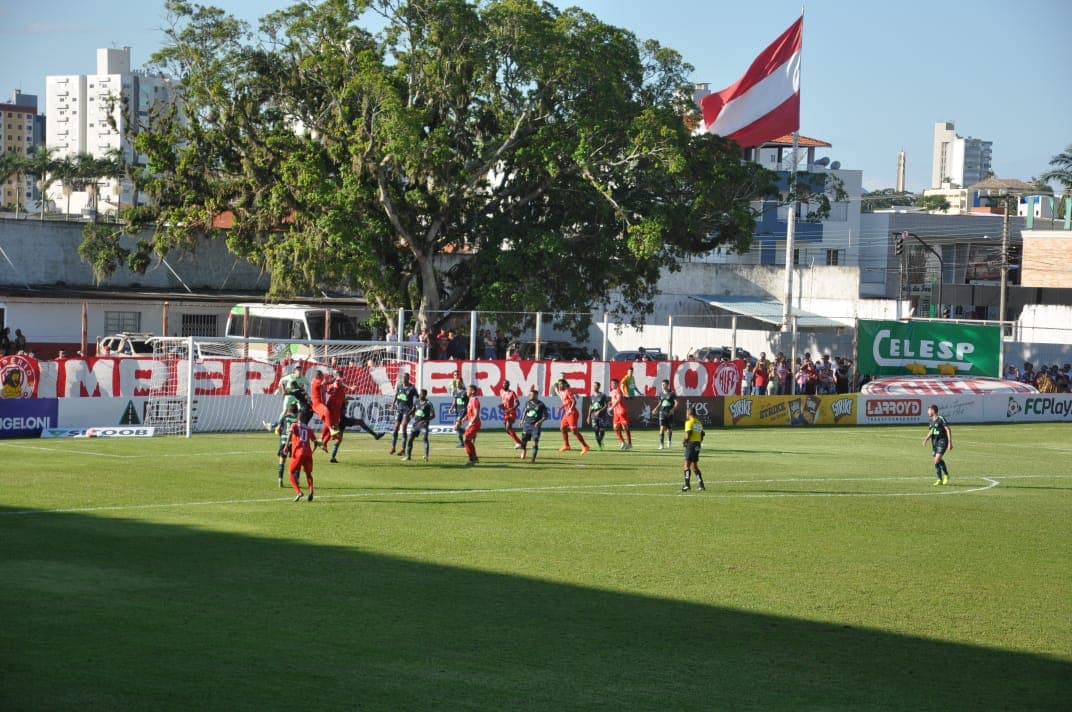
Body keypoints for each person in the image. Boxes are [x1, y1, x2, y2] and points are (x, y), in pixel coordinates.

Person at [321, 377, 384, 462]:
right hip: (340, 419)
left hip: (341, 419)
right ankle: (375, 435)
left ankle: (332, 456)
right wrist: (349, 391)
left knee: (340, 438)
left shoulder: (338, 393)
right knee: (358, 423)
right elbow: (339, 390)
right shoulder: (338, 392)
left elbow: (342, 397)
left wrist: (348, 398)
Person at [286, 414, 317, 502]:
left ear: (297, 418)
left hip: (298, 452)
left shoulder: (294, 425)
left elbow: (290, 433)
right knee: (308, 474)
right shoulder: (309, 429)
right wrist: (312, 451)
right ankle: (311, 490)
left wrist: (286, 446)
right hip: (308, 453)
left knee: (291, 472)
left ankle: (298, 492)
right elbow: (315, 442)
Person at [556, 379, 590, 454]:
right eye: (559, 384)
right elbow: (567, 402)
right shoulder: (562, 392)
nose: (560, 385)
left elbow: (574, 401)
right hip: (567, 413)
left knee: (574, 431)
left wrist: (570, 409)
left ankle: (585, 446)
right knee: (562, 428)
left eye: (561, 384)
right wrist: (561, 408)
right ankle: (566, 445)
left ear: (565, 384)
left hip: (572, 413)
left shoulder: (568, 391)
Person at [389, 371, 419, 455]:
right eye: (403, 378)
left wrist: (414, 409)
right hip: (399, 409)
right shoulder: (399, 386)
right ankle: (393, 447)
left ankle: (403, 449)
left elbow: (417, 399)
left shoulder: (412, 388)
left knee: (404, 426)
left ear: (408, 378)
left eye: (406, 378)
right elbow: (396, 395)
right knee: (395, 428)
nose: (404, 379)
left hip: (408, 410)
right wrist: (393, 404)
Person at [922, 404, 952, 486]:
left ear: (933, 410)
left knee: (937, 459)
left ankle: (946, 475)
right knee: (937, 460)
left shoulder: (941, 418)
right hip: (934, 443)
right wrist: (926, 439)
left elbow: (948, 429)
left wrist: (950, 442)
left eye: (928, 410)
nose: (927, 412)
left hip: (943, 441)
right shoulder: (931, 421)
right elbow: (931, 431)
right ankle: (939, 479)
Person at [273, 402, 301, 488]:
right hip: (294, 442)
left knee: (282, 461)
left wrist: (281, 434)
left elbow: (278, 429)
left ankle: (280, 479)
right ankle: (296, 480)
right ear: (296, 411)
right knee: (296, 462)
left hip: (284, 441)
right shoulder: (298, 419)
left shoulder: (284, 417)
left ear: (289, 410)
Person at [518, 387, 548, 463]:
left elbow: (546, 416)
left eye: (531, 395)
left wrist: (540, 422)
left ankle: (533, 459)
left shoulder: (541, 404)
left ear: (536, 395)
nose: (529, 396)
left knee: (535, 441)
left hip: (535, 426)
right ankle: (523, 451)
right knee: (524, 441)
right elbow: (525, 411)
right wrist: (522, 420)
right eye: (529, 394)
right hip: (527, 425)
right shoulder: (527, 403)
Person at [680, 405, 707, 492]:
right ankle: (701, 485)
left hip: (691, 444)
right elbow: (702, 434)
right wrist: (698, 442)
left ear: (688, 413)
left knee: (686, 465)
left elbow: (688, 434)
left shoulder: (689, 422)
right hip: (697, 444)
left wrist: (685, 441)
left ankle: (687, 485)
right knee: (694, 466)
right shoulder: (699, 422)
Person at [405, 389, 435, 461]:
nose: (420, 395)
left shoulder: (428, 403)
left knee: (425, 439)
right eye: (419, 394)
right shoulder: (416, 401)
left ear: (425, 395)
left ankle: (426, 456)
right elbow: (413, 409)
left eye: (421, 394)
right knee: (409, 439)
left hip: (423, 425)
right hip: (415, 424)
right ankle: (408, 457)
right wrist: (408, 414)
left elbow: (433, 415)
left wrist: (425, 420)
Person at [308, 369, 337, 435]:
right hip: (318, 404)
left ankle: (322, 439)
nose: (323, 377)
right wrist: (335, 378)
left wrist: (327, 391)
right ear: (319, 376)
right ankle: (331, 430)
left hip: (321, 404)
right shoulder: (316, 381)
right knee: (327, 412)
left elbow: (322, 389)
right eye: (322, 376)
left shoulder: (319, 383)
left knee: (329, 422)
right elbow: (327, 382)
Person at [587, 381, 610, 450]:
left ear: (599, 387)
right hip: (594, 416)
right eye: (593, 386)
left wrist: (600, 411)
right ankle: (600, 445)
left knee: (602, 429)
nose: (594, 387)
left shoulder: (603, 395)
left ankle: (601, 441)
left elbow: (606, 405)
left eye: (595, 386)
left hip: (602, 416)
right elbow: (591, 406)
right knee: (596, 430)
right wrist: (588, 416)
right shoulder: (592, 396)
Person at [609, 378, 632, 450]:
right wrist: (610, 404)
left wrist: (611, 407)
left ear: (617, 384)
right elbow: (613, 400)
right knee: (615, 427)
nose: (612, 385)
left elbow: (618, 399)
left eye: (613, 383)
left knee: (625, 427)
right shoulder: (612, 392)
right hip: (616, 413)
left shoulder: (618, 390)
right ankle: (623, 442)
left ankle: (629, 443)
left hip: (622, 411)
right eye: (611, 383)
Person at [461, 383, 481, 466]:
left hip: (475, 423)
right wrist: (465, 418)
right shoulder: (470, 400)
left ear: (472, 391)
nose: (466, 391)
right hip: (473, 423)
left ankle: (471, 459)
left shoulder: (475, 400)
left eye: (468, 390)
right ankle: (474, 457)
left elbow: (476, 414)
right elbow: (470, 413)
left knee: (465, 439)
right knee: (467, 440)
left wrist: (469, 423)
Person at [448, 374, 468, 448]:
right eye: (456, 382)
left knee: (456, 427)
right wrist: (451, 408)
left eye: (459, 382)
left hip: (463, 411)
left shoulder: (465, 392)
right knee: (456, 427)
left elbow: (469, 401)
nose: (458, 384)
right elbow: (455, 401)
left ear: (461, 383)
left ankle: (463, 442)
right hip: (458, 411)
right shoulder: (455, 391)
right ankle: (466, 436)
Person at [499, 380, 522, 448]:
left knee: (508, 427)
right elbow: (504, 401)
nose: (504, 385)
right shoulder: (501, 391)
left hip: (512, 412)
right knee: (507, 430)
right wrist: (502, 405)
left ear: (508, 385)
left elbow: (517, 403)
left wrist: (511, 409)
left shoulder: (512, 393)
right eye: (503, 384)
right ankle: (519, 442)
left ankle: (519, 443)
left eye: (506, 384)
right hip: (505, 412)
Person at [657, 378, 677, 449]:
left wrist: (673, 409)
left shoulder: (672, 393)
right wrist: (655, 408)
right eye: (662, 384)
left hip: (669, 413)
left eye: (664, 384)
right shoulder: (660, 393)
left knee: (669, 428)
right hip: (662, 412)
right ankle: (661, 444)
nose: (662, 386)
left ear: (667, 385)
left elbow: (676, 403)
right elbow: (660, 402)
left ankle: (669, 441)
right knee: (662, 428)